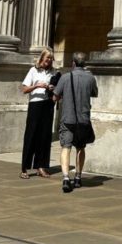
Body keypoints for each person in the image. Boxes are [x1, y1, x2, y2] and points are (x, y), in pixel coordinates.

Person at [53, 51, 97, 193]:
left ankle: (66, 178)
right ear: (84, 64)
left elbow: (55, 97)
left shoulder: (65, 77)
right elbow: (94, 93)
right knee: (81, 148)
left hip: (68, 118)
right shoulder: (90, 78)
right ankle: (78, 177)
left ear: (73, 63)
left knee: (66, 147)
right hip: (83, 119)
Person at [20, 48, 59, 179]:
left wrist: (52, 89)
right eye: (47, 58)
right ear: (42, 58)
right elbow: (24, 89)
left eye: (51, 58)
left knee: (45, 137)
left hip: (48, 105)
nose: (49, 60)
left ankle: (41, 167)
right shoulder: (33, 70)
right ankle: (24, 168)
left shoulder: (54, 72)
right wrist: (37, 86)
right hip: (35, 105)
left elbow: (58, 92)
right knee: (31, 135)